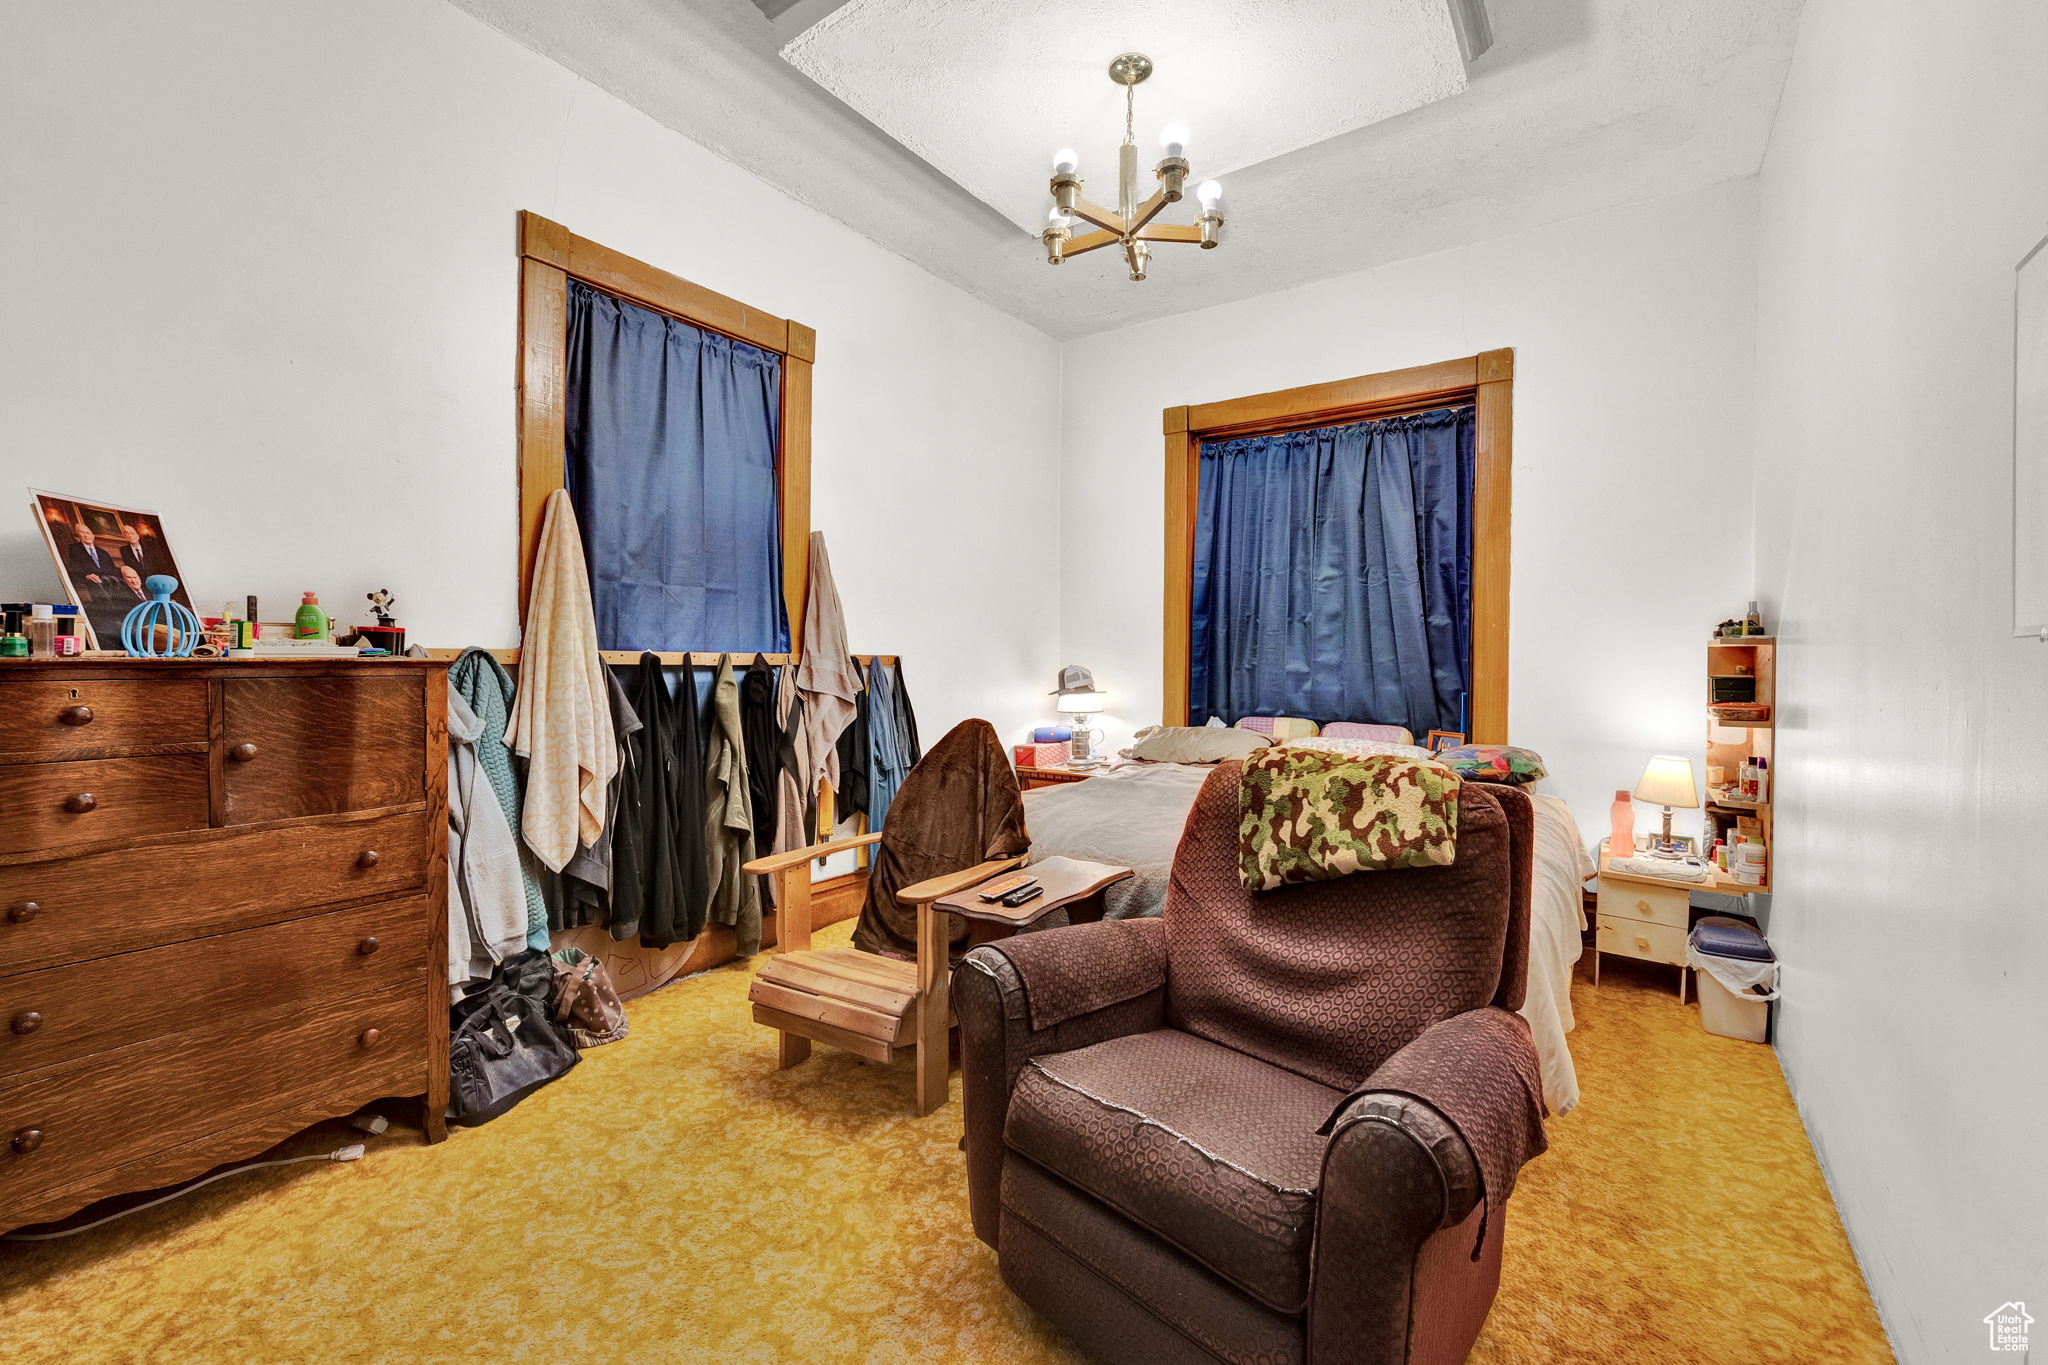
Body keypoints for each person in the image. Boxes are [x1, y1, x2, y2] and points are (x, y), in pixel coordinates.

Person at [64, 523, 115, 601]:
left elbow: (112, 569)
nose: (86, 535)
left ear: (93, 535)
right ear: (78, 536)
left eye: (88, 533)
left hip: (107, 583)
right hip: (88, 584)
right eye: (82, 533)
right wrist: (86, 576)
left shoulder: (103, 552)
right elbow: (73, 568)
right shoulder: (74, 549)